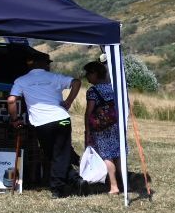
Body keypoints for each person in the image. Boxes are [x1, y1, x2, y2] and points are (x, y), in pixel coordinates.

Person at [7, 50, 80, 198]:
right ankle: (74, 179)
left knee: (52, 154)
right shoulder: (54, 77)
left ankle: (58, 188)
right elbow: (77, 82)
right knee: (61, 153)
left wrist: (15, 119)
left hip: (42, 122)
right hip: (62, 118)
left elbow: (11, 100)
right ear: (45, 65)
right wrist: (69, 101)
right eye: (48, 64)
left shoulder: (21, 80)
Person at [82, 61, 123, 195]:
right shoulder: (113, 87)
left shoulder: (93, 91)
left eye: (88, 73)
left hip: (101, 128)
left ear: (95, 74)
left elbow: (89, 112)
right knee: (117, 154)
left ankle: (114, 186)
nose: (86, 76)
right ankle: (123, 182)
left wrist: (87, 131)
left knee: (107, 155)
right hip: (115, 124)